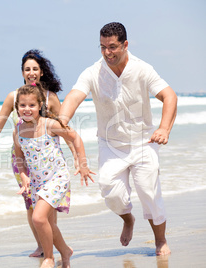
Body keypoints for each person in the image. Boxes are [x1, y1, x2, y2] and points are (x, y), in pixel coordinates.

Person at [59, 22, 177, 256]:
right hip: (110, 145)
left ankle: (160, 240)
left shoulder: (142, 69)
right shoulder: (93, 72)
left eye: (112, 47)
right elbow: (75, 95)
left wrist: (164, 129)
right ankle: (128, 219)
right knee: (110, 193)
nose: (107, 53)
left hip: (144, 142)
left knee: (150, 194)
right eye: (102, 47)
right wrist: (62, 118)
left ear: (124, 44)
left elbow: (169, 96)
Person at [0, 49, 78, 257]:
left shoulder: (50, 97)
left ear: (42, 72)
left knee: (47, 208)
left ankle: (53, 249)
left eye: (35, 69)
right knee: (30, 204)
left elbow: (66, 131)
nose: (31, 73)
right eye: (27, 69)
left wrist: (76, 158)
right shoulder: (14, 96)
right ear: (22, 73)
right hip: (22, 159)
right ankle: (42, 245)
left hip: (48, 159)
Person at [13, 83, 94, 268]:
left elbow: (75, 138)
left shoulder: (50, 124)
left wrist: (82, 163)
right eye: (22, 105)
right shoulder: (17, 131)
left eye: (31, 105)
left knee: (38, 218)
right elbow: (19, 157)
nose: (27, 109)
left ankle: (49, 257)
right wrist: (24, 176)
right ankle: (65, 251)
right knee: (49, 224)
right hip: (37, 182)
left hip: (57, 178)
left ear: (40, 105)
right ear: (17, 107)